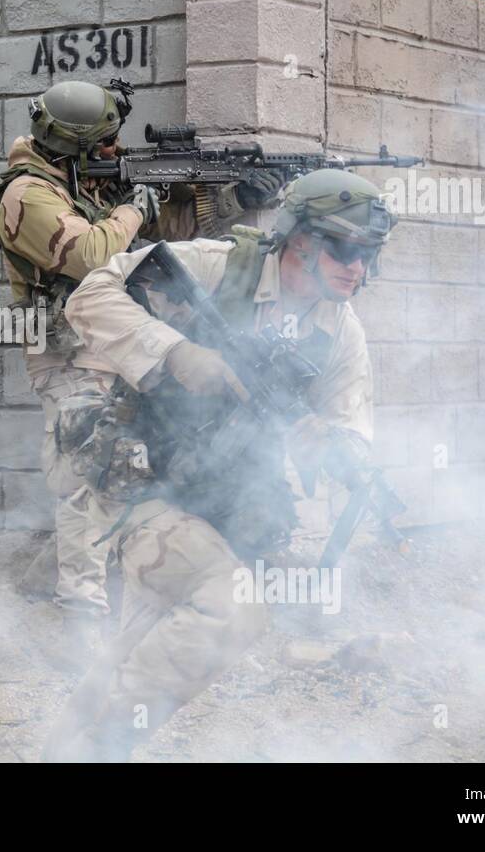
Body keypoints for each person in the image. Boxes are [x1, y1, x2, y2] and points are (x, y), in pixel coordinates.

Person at [44, 168, 397, 761]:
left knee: (136, 649)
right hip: (142, 477)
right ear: (300, 239)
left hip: (221, 500)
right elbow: (90, 298)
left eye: (369, 256)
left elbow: (353, 428)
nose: (357, 268)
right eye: (345, 249)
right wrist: (177, 352)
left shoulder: (339, 331)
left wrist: (330, 446)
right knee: (234, 609)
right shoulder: (216, 267)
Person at [0, 79, 282, 638]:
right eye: (104, 143)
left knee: (139, 466)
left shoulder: (90, 185)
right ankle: (80, 610)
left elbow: (167, 244)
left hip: (132, 345)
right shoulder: (27, 194)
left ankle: (69, 574)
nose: (115, 151)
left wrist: (232, 201)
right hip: (69, 350)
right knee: (86, 466)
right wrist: (135, 205)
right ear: (73, 146)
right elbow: (89, 255)